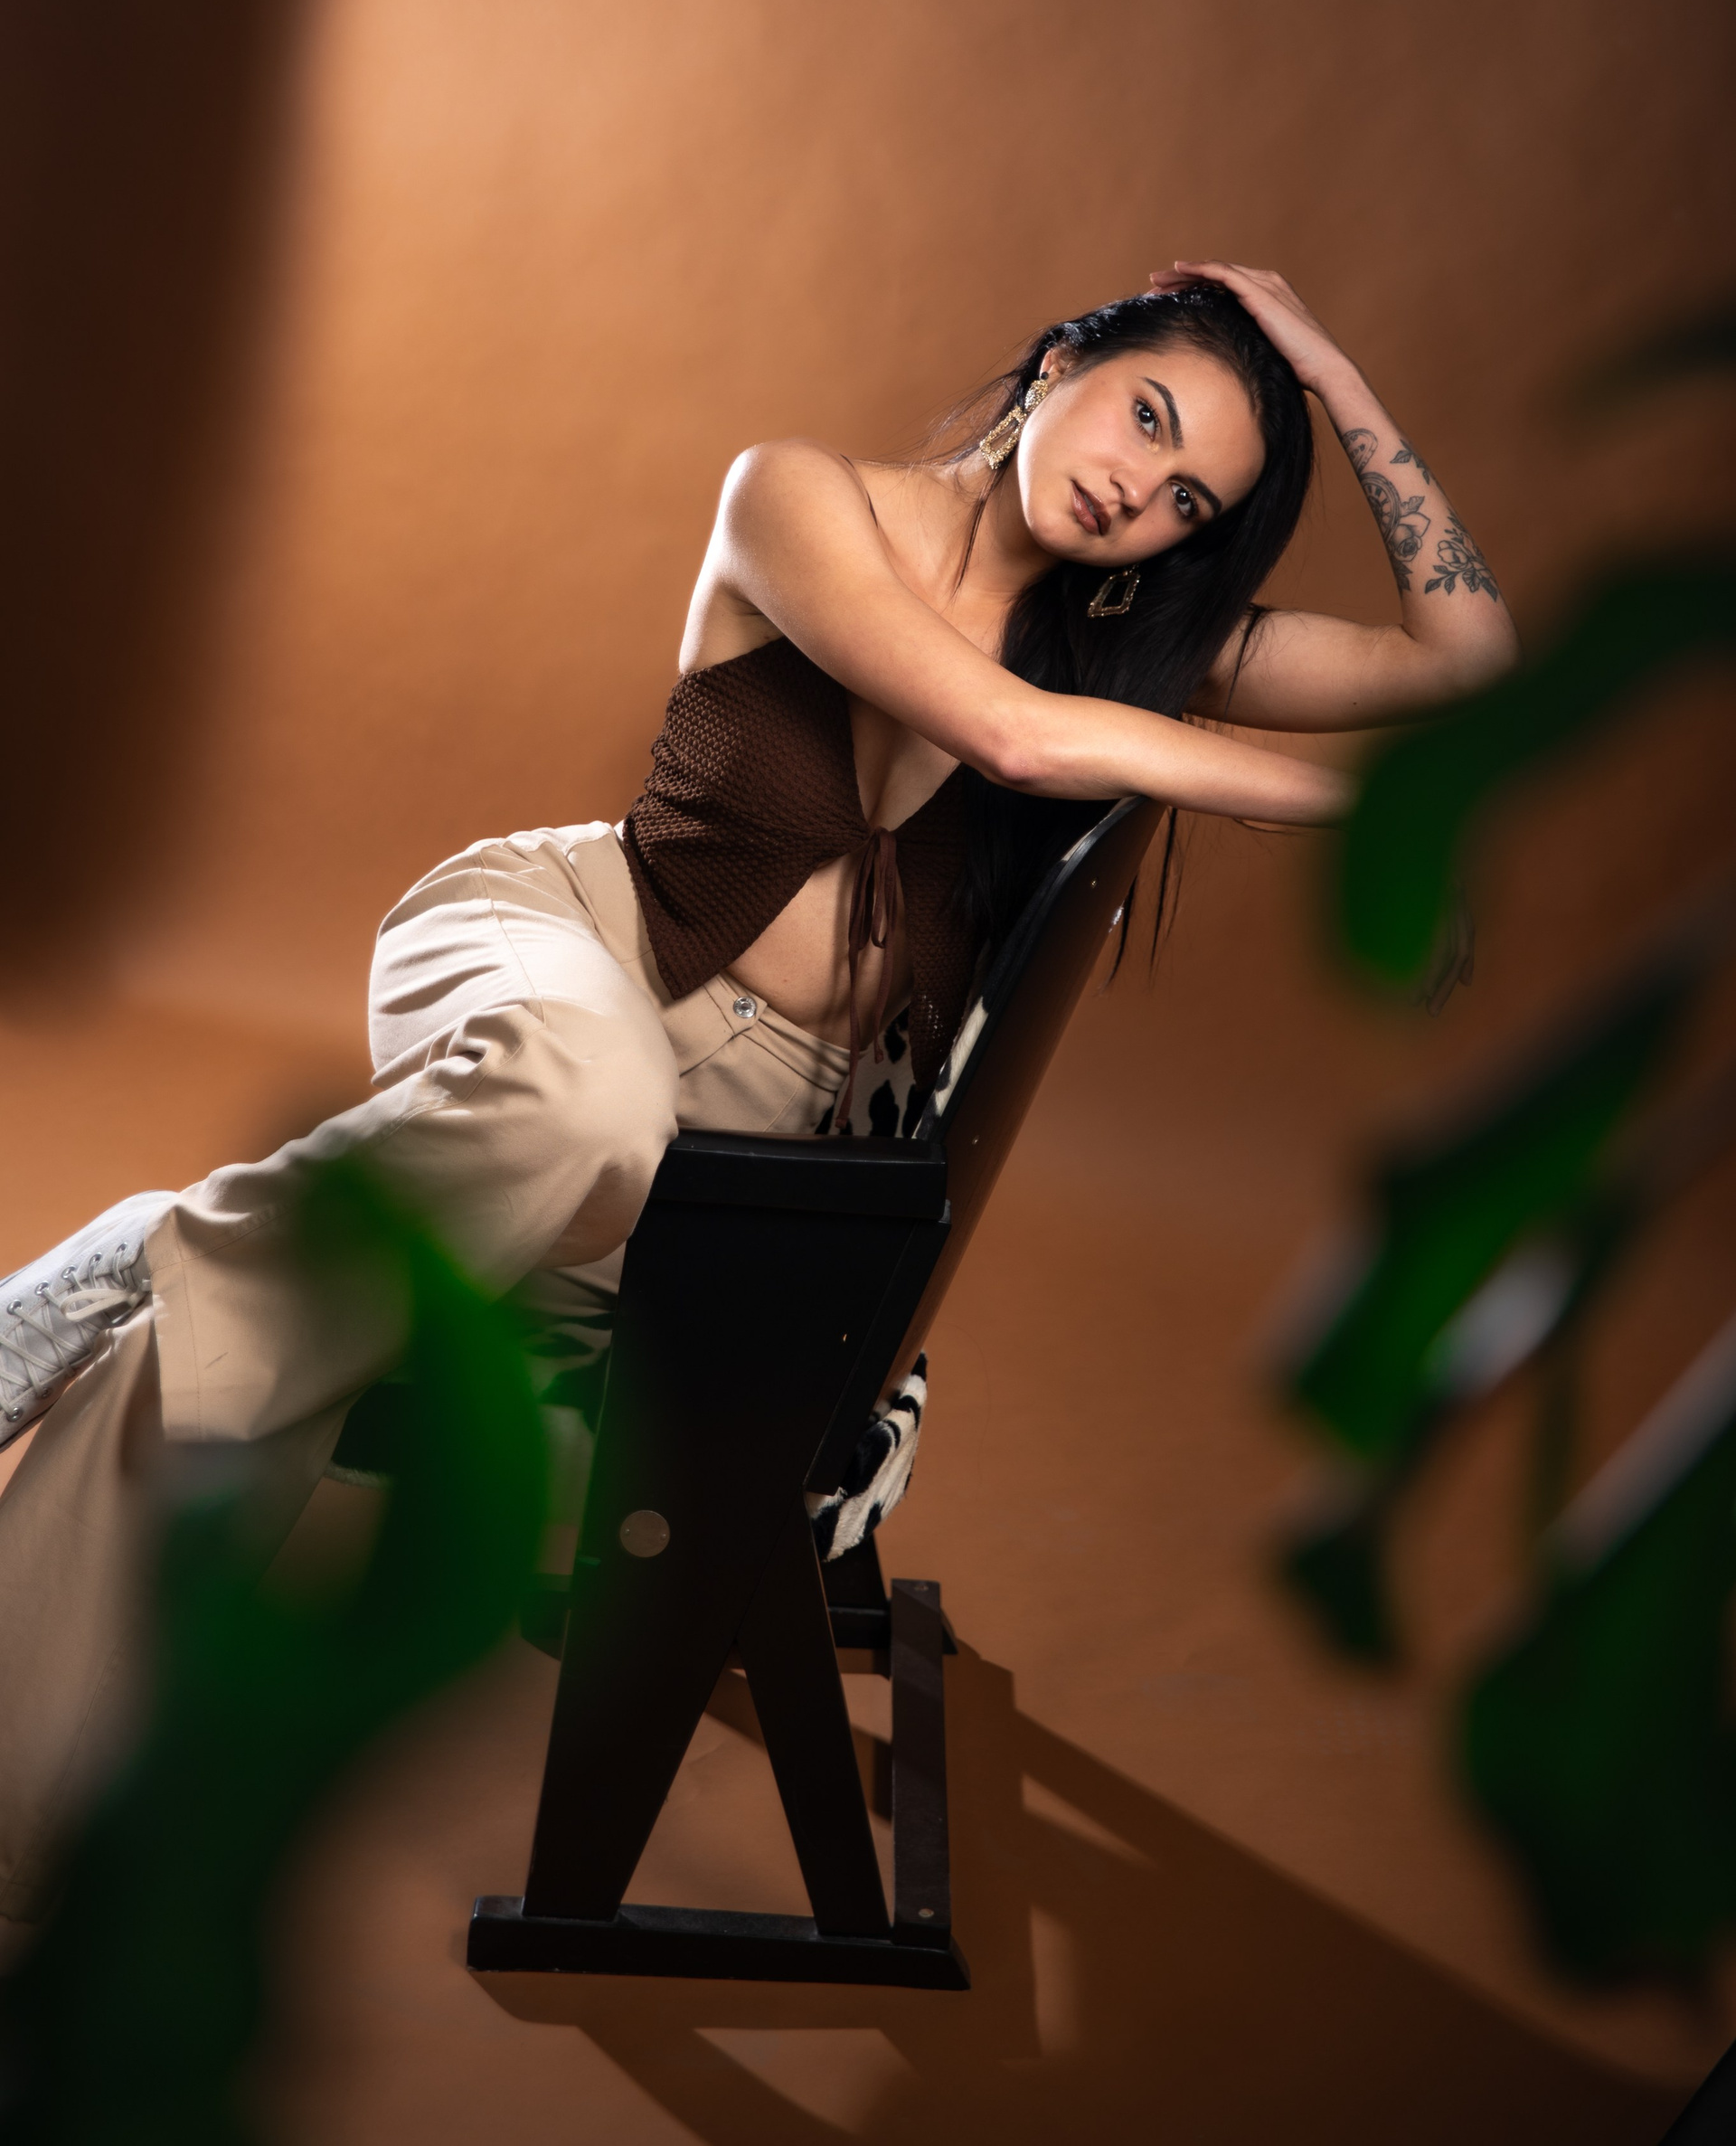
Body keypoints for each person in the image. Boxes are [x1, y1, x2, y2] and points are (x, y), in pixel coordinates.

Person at [0, 262, 1517, 1916]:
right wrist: (1361, 811)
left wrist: (1326, 369)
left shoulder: (1128, 649)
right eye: (1144, 416)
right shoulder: (800, 500)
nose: (1137, 489)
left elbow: (1470, 665)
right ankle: (191, 1268)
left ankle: (148, 1309)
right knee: (581, 1104)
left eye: (1188, 500)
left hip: (724, 1149)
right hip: (574, 947)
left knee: (335, 1289)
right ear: (1062, 363)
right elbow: (1007, 738)